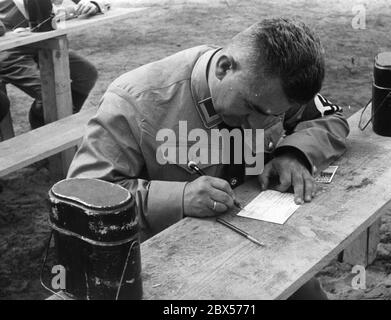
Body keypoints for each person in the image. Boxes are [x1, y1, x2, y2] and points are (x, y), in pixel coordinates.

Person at [68, 18, 350, 299]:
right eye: (251, 109)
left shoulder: (270, 88)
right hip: (173, 265)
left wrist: (293, 151)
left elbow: (333, 120)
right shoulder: (135, 102)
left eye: (274, 115)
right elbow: (83, 201)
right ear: (224, 67)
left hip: (261, 244)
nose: (257, 125)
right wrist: (179, 198)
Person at [0, 0, 107, 128]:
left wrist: (93, 4)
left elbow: (96, 2)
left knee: (87, 73)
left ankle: (50, 120)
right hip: (8, 50)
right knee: (51, 94)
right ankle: (53, 129)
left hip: (41, 41)